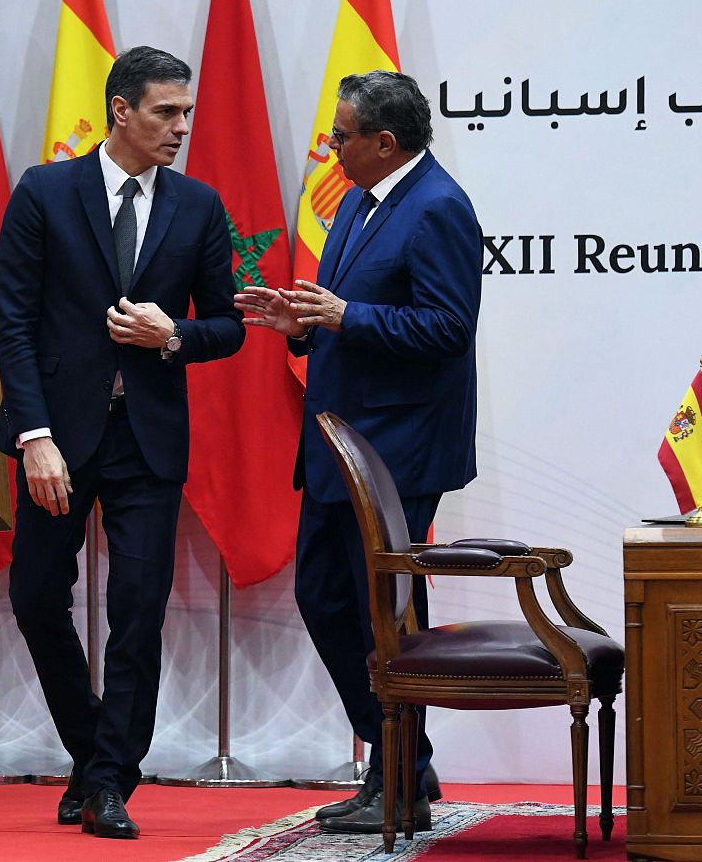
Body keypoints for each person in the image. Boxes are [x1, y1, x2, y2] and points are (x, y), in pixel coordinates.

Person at [0, 46, 244, 840]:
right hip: (55, 436)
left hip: (148, 441)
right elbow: (15, 324)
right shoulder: (46, 191)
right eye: (166, 112)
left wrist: (176, 336)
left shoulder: (198, 206)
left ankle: (108, 784)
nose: (181, 127)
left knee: (137, 612)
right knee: (36, 596)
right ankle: (91, 747)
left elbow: (229, 325)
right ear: (121, 112)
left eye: (188, 113)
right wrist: (35, 435)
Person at [236, 70, 481, 835]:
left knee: (388, 617)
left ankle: (398, 778)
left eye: (343, 136)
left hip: (400, 447)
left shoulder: (439, 206)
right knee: (327, 599)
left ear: (385, 141)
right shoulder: (357, 200)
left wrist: (347, 313)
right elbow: (350, 314)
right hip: (343, 442)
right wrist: (303, 322)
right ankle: (402, 754)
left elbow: (447, 328)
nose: (332, 147)